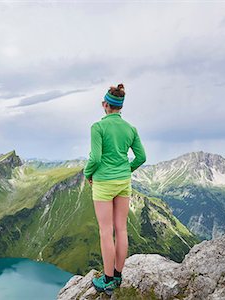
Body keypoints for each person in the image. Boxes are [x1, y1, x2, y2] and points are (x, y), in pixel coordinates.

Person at [84, 83, 146, 295]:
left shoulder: (98, 127)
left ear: (105, 105)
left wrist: (87, 173)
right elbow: (142, 157)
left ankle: (108, 279)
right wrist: (126, 169)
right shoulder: (130, 129)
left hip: (103, 183)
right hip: (123, 182)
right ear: (120, 107)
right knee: (121, 229)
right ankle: (119, 275)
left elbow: (96, 158)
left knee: (105, 232)